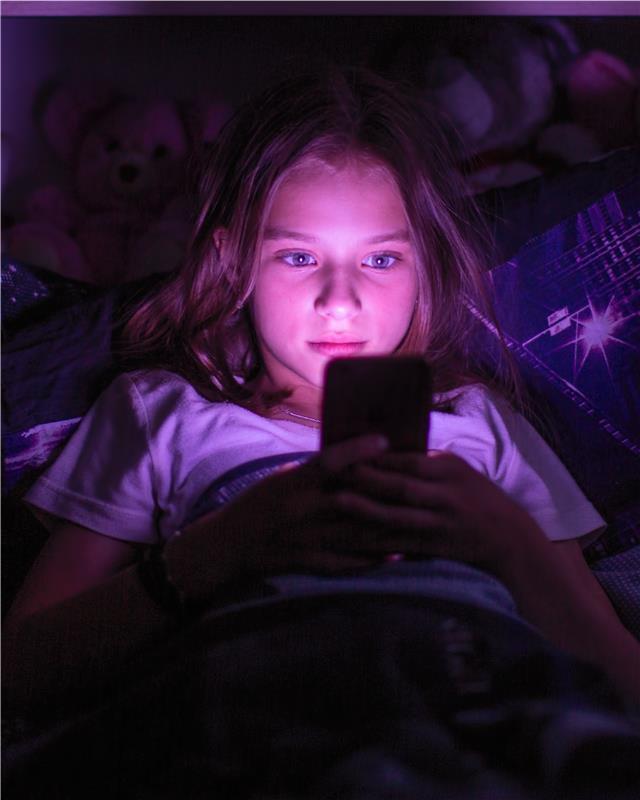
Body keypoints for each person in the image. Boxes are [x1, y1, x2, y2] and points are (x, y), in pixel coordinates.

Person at [4, 65, 639, 741]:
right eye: (300, 258)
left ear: (427, 266)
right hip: (254, 721)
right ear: (236, 260)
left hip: (464, 717)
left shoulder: (480, 424)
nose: (341, 302)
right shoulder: (162, 414)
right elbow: (21, 669)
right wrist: (225, 547)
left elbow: (619, 677)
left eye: (381, 261)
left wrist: (505, 537)